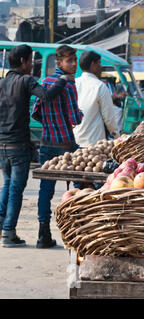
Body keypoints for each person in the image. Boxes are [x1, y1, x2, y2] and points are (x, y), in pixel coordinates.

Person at [0, 45, 68, 247]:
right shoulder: (26, 80)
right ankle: (9, 233)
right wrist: (62, 81)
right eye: (31, 60)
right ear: (23, 61)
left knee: (7, 184)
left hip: (2, 144)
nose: (32, 65)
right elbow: (46, 95)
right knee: (15, 189)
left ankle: (3, 225)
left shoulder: (2, 83)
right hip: (18, 145)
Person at [31, 45, 83, 249]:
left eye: (75, 60)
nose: (74, 64)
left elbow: (36, 112)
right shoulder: (69, 84)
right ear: (59, 63)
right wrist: (79, 115)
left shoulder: (44, 81)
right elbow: (75, 118)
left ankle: (42, 234)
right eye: (70, 61)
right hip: (66, 144)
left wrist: (50, 123)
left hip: (46, 143)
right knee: (81, 184)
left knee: (46, 189)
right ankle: (81, 228)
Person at [73, 51, 120, 148]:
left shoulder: (74, 83)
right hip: (93, 144)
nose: (101, 66)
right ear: (92, 65)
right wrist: (117, 136)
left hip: (74, 140)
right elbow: (109, 118)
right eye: (99, 63)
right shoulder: (100, 86)